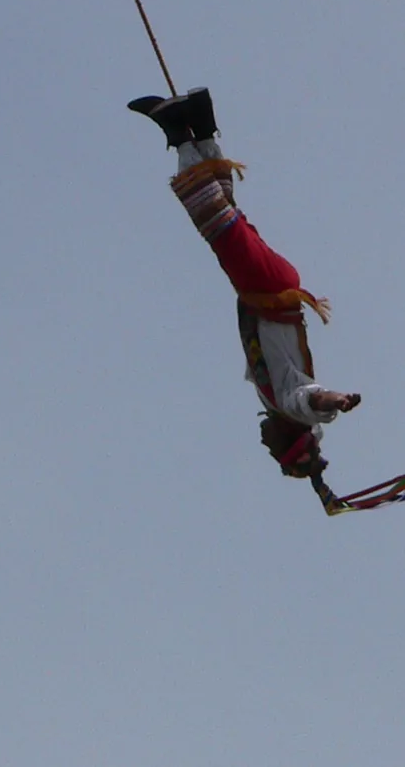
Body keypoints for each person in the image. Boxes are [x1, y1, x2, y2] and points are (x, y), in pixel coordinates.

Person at [128, 85, 360, 500]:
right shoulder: (290, 405)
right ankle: (180, 134)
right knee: (214, 220)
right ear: (288, 438)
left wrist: (318, 482)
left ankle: (201, 124)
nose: (262, 444)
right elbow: (312, 401)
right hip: (268, 289)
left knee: (228, 216)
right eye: (273, 450)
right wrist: (337, 400)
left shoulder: (274, 401)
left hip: (265, 288)